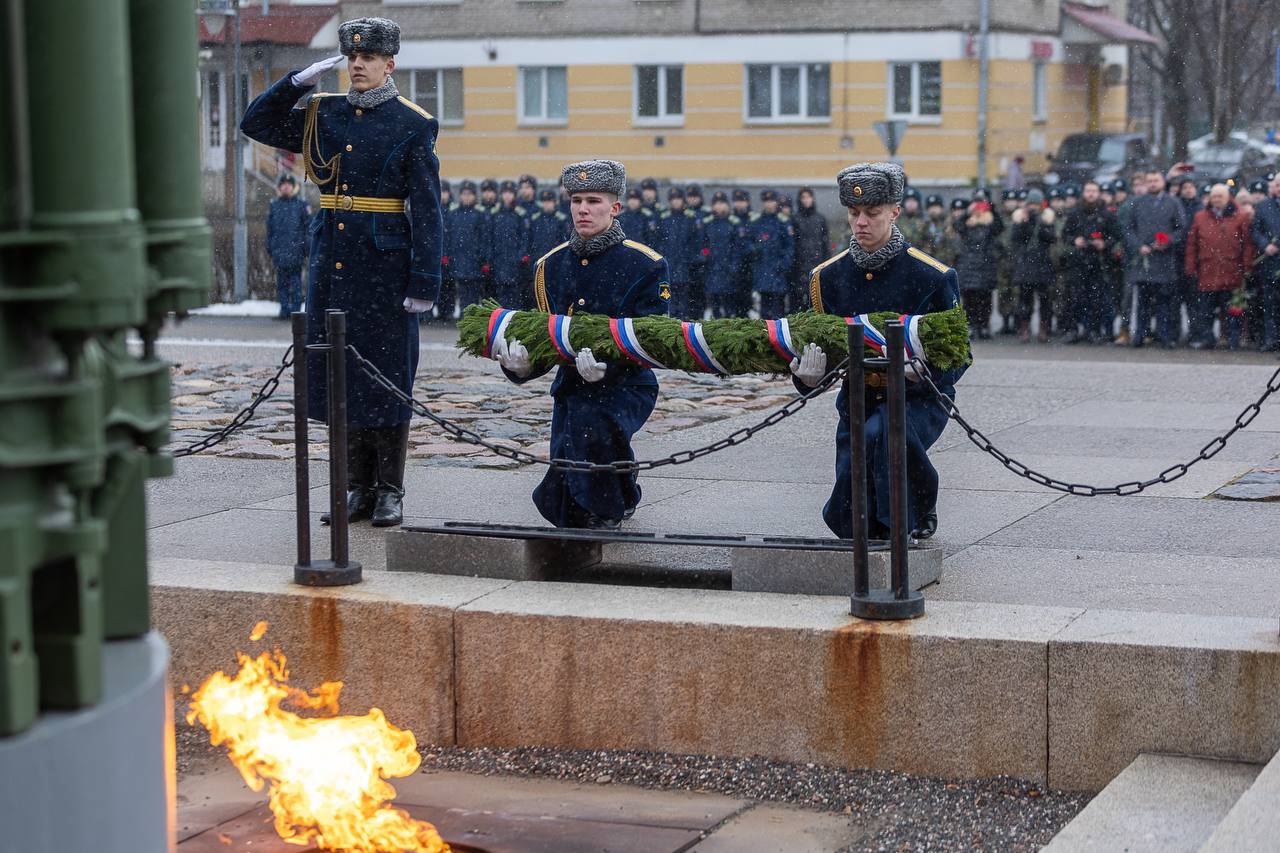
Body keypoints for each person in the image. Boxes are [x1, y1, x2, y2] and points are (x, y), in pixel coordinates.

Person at [240, 16, 442, 527]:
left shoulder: (412, 122)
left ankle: (390, 489)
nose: (357, 65)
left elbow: (427, 208)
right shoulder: (323, 112)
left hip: (385, 268)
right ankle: (355, 487)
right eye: (352, 58)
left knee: (389, 377)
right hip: (332, 265)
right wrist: (295, 84)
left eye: (368, 58)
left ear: (389, 64)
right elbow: (256, 125)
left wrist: (424, 282)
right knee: (340, 377)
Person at [793, 162, 965, 541]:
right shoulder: (828, 277)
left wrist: (925, 371)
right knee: (851, 505)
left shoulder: (932, 276)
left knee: (884, 435)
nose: (861, 223)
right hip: (859, 396)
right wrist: (806, 377)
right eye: (854, 213)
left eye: (872, 213)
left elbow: (959, 353)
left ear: (895, 212)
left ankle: (913, 511)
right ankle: (884, 521)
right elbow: (821, 344)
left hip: (919, 396)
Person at [493, 160, 670, 529]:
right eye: (576, 200)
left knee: (594, 431)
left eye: (593, 200)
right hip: (572, 384)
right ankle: (622, 490)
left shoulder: (645, 265)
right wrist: (521, 367)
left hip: (627, 385)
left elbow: (653, 337)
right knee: (563, 496)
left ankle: (611, 506)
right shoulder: (551, 265)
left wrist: (611, 368)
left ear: (615, 208)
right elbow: (544, 335)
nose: (583, 209)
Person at [1186, 183, 1255, 350]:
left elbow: (1247, 244)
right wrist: (1191, 266)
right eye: (1214, 196)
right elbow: (1192, 244)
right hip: (1207, 271)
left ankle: (1232, 340)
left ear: (1228, 198)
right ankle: (1207, 339)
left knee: (1232, 310)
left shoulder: (1240, 217)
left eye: (1220, 196)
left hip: (1232, 271)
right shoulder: (1200, 217)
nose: (1217, 199)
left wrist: (1247, 267)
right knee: (1205, 310)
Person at [1123, 170, 1186, 348]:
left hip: (1164, 260)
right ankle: (1140, 334)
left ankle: (1164, 335)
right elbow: (1129, 228)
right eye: (1149, 181)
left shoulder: (1173, 203)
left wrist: (1168, 241)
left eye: (1155, 180)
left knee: (1164, 302)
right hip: (1144, 260)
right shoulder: (1137, 203)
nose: (1152, 184)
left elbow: (1181, 229)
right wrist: (1138, 245)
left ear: (1162, 182)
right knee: (1142, 301)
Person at [1061, 180, 1121, 344]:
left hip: (1098, 262)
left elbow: (1116, 235)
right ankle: (1072, 330)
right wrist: (1075, 240)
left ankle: (1093, 331)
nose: (1091, 194)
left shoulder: (1106, 214)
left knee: (1096, 299)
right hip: (1077, 261)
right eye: (1088, 191)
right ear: (1083, 193)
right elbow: (1065, 235)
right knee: (1074, 298)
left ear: (1099, 193)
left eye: (1094, 191)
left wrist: (1104, 243)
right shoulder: (1074, 213)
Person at [953, 193, 1004, 339]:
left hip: (985, 265)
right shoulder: (968, 223)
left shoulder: (990, 223)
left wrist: (992, 209)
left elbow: (1000, 227)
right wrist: (967, 213)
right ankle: (973, 326)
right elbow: (957, 226)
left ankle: (984, 326)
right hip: (968, 265)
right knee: (969, 299)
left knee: (985, 299)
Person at [1009, 188, 1057, 342]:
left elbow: (1050, 238)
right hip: (1025, 265)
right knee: (1024, 300)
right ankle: (1025, 329)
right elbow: (1015, 238)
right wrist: (1025, 222)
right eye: (1031, 204)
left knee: (1045, 301)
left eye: (1036, 205)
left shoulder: (1047, 219)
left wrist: (1040, 222)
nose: (1034, 208)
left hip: (1042, 264)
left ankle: (1044, 329)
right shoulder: (1020, 218)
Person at [265, 173, 310, 319]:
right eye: (283, 184)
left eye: (288, 184)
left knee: (296, 284)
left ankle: (296, 312)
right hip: (279, 252)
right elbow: (270, 229)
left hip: (296, 252)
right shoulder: (274, 205)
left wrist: (306, 248)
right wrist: (270, 247)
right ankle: (284, 311)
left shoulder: (301, 205)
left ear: (294, 187)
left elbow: (307, 229)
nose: (286, 187)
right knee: (281, 284)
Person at [745, 189, 795, 318]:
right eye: (766, 201)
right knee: (764, 311)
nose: (769, 204)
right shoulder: (756, 221)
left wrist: (783, 265)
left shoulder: (783, 221)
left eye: (772, 201)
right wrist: (755, 249)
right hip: (762, 270)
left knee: (778, 310)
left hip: (778, 273)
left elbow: (790, 247)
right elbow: (747, 243)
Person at [654, 186, 701, 319]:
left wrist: (692, 259)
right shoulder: (664, 218)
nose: (675, 202)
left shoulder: (690, 218)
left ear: (683, 201)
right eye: (673, 199)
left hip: (685, 266)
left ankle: (684, 324)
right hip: (668, 265)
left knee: (685, 300)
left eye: (678, 199)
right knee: (668, 298)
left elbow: (696, 242)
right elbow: (658, 241)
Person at [445, 180, 489, 313]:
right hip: (458, 258)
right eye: (464, 194)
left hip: (475, 260)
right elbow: (448, 236)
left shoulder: (479, 214)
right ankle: (464, 315)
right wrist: (447, 255)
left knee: (474, 292)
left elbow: (484, 238)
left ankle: (471, 316)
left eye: (470, 194)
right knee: (461, 290)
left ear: (475, 196)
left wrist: (484, 258)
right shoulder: (453, 213)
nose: (466, 197)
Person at [701, 191, 744, 318]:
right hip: (712, 269)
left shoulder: (734, 223)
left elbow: (738, 247)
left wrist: (734, 266)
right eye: (716, 204)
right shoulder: (708, 223)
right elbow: (704, 245)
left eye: (722, 203)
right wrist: (706, 257)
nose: (719, 207)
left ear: (727, 205)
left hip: (729, 270)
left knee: (729, 307)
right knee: (715, 307)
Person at [488, 179, 530, 308]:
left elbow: (525, 236)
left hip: (515, 261)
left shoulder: (520, 214)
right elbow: (489, 236)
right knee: (500, 293)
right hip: (499, 260)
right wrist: (491, 256)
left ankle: (514, 320)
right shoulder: (495, 214)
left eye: (510, 193)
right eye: (505, 193)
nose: (507, 196)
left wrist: (521, 255)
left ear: (514, 195)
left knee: (515, 293)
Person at [1250, 173, 1280, 352]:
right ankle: (1272, 340)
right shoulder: (1262, 207)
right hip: (1270, 263)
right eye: (1277, 185)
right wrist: (1265, 245)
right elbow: (1255, 230)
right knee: (1270, 304)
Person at [790, 186, 830, 312]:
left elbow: (825, 243)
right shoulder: (795, 219)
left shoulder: (820, 219)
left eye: (809, 197)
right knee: (799, 301)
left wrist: (826, 262)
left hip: (817, 263)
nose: (806, 200)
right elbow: (793, 243)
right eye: (803, 197)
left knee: (816, 299)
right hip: (800, 265)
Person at [527, 188, 571, 273]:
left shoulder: (561, 219)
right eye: (544, 202)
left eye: (549, 201)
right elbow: (530, 239)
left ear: (554, 202)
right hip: (538, 258)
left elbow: (564, 241)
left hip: (555, 260)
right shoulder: (535, 219)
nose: (546, 204)